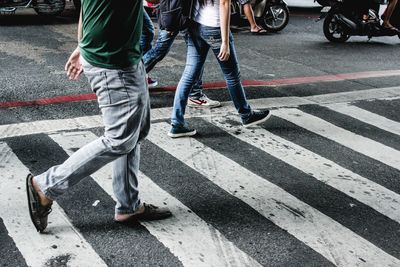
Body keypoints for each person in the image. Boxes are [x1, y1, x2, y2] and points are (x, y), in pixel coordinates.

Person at [26, 1, 172, 233]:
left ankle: (128, 205)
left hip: (123, 58)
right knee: (120, 139)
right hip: (115, 64)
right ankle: (47, 185)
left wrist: (82, 45)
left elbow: (86, 8)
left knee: (134, 133)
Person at [168, 0, 271, 138]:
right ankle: (246, 115)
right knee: (232, 76)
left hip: (194, 24)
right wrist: (225, 42)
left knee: (188, 75)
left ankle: (176, 123)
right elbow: (224, 4)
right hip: (214, 27)